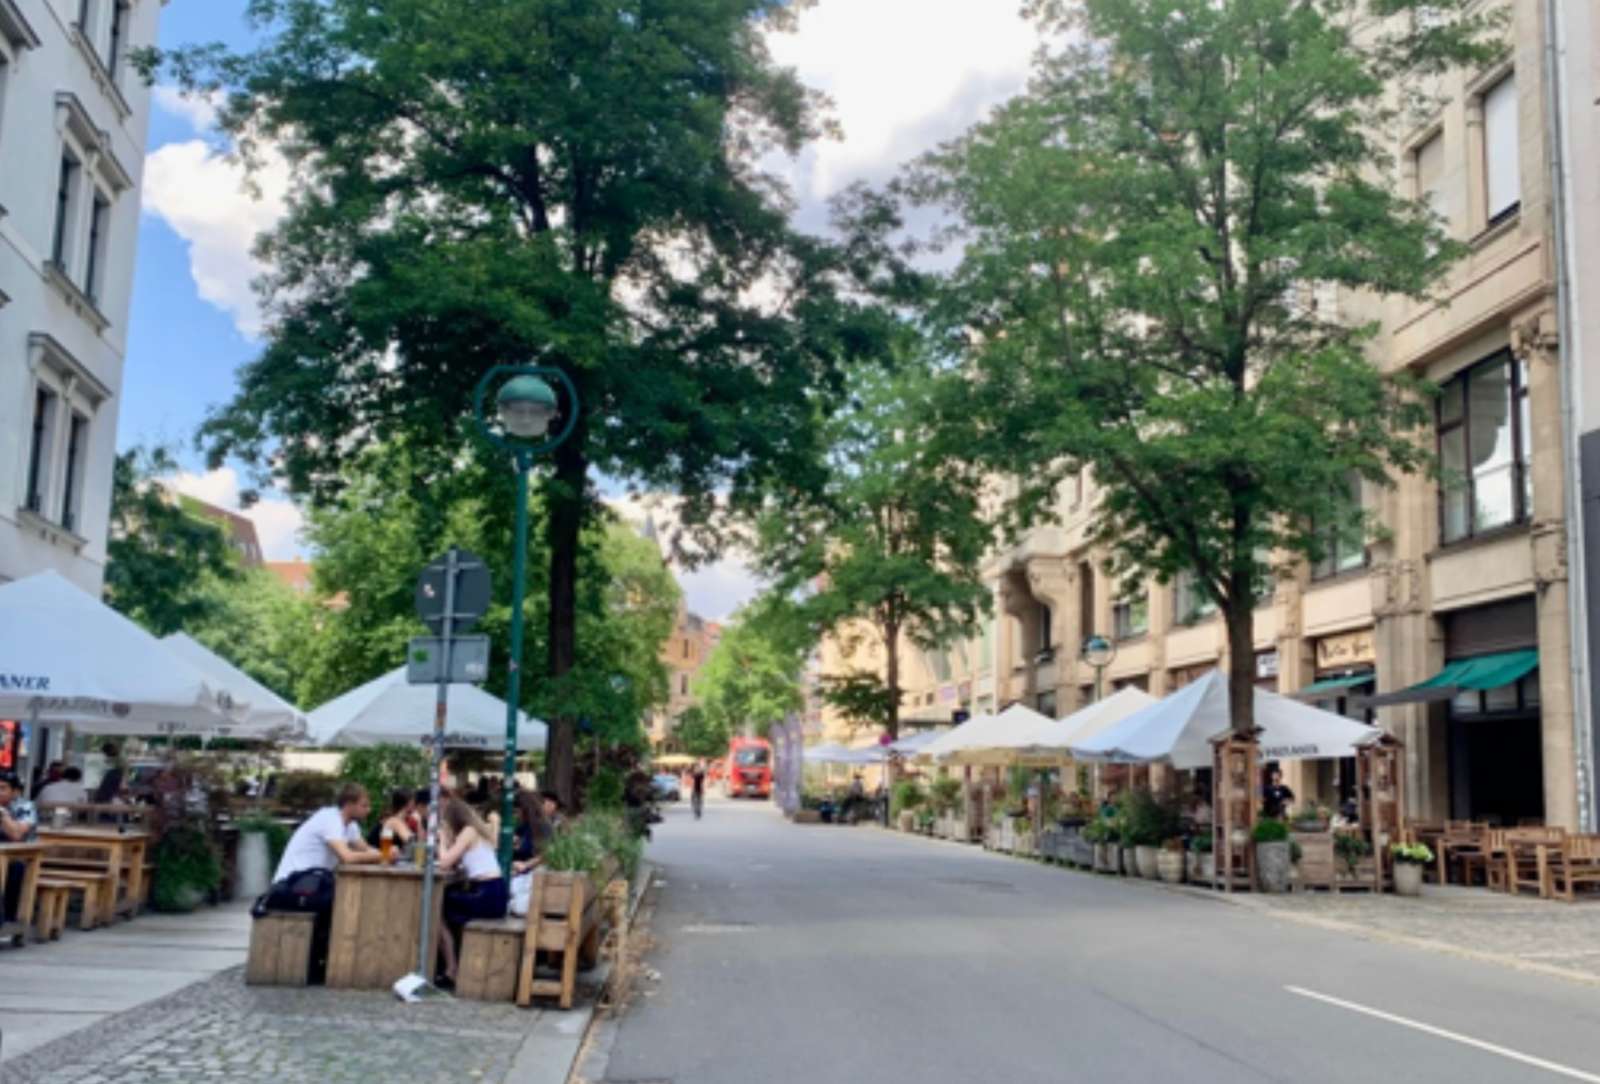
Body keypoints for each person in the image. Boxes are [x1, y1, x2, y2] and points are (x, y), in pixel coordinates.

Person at [434, 798, 508, 989]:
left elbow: (444, 863)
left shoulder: (469, 832)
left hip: (485, 895)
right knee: (447, 901)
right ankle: (449, 963)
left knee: (437, 909)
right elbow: (457, 861)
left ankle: (451, 969)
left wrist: (442, 839)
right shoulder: (478, 831)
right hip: (496, 892)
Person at [0, 770, 37, 923]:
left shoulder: (26, 807)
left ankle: (8, 916)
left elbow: (16, 835)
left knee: (15, 869)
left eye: (3, 788)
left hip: (22, 858)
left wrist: (2, 814)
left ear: (15, 791)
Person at [511, 790, 550, 875]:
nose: (516, 816)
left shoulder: (542, 827)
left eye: (517, 812)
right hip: (516, 872)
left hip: (531, 874)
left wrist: (526, 865)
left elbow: (546, 854)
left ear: (527, 811)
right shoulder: (521, 828)